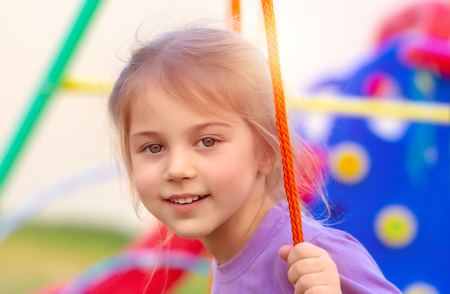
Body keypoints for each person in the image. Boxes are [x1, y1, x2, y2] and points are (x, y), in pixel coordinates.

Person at [108, 27, 401, 293]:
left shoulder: (314, 255)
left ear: (267, 152)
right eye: (154, 147)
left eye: (207, 141)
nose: (177, 169)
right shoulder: (228, 256)